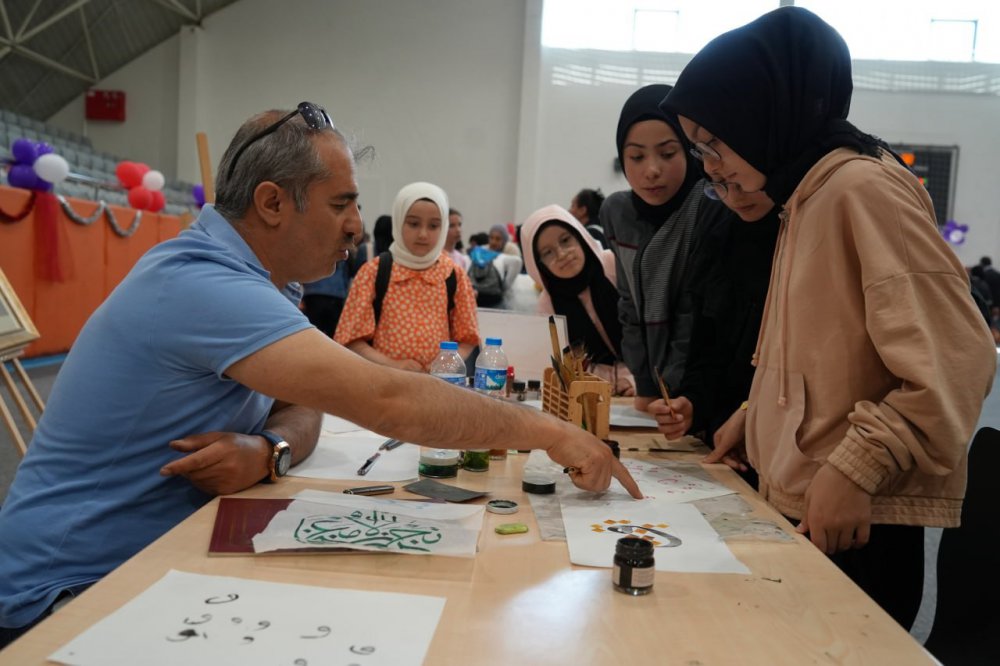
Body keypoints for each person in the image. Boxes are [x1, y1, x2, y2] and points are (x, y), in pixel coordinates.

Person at [0, 104, 641, 647]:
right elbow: (389, 400)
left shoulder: (264, 285)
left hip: (153, 563)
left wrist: (270, 448)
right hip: (67, 595)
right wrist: (551, 433)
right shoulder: (204, 285)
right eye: (341, 204)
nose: (357, 226)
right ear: (272, 203)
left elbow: (305, 405)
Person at [661, 7, 995, 630]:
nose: (710, 165)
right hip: (808, 501)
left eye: (714, 143)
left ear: (759, 113)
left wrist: (856, 468)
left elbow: (956, 359)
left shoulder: (860, 189)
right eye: (699, 149)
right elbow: (830, 353)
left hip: (854, 519)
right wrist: (757, 415)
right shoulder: (803, 197)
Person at [600, 83, 726, 434]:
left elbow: (694, 311)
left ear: (690, 151)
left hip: (699, 390)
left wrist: (672, 389)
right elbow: (628, 302)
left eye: (668, 153)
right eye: (636, 157)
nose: (652, 170)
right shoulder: (617, 213)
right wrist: (644, 383)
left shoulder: (709, 206)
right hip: (650, 393)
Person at [670, 185, 779, 471]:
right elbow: (708, 348)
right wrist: (692, 403)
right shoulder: (718, 237)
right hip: (723, 440)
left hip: (786, 440)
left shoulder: (800, 239)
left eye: (740, 182)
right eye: (719, 185)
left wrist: (749, 412)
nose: (734, 196)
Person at [335, 182, 479, 370]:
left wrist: (445, 365)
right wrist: (393, 365)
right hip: (384, 382)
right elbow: (351, 339)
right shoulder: (374, 272)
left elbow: (468, 338)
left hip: (435, 384)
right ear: (398, 221)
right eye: (413, 223)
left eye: (434, 226)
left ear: (443, 227)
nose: (423, 234)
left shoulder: (454, 275)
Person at [520, 204, 635, 395]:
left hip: (648, 382)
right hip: (590, 394)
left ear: (580, 235)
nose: (562, 254)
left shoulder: (612, 265)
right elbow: (561, 369)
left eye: (566, 240)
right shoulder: (547, 304)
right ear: (539, 265)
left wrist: (634, 381)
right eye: (548, 253)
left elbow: (653, 335)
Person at [300, 240, 368, 336]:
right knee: (334, 335)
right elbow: (352, 271)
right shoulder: (342, 246)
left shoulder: (312, 243)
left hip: (313, 294)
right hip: (336, 296)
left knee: (312, 333)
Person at [445, 207, 470, 271]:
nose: (458, 230)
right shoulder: (435, 257)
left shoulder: (461, 259)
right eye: (452, 226)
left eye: (459, 225)